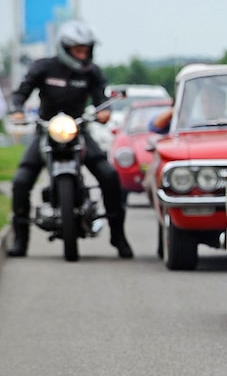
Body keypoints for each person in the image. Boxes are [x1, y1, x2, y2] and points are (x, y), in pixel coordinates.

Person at [5, 21, 133, 258]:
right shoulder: (43, 68)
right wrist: (17, 108)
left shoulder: (91, 72)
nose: (82, 54)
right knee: (22, 180)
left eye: (86, 49)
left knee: (109, 174)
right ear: (65, 48)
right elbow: (21, 93)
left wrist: (103, 111)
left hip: (78, 129)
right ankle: (21, 239)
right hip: (46, 130)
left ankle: (118, 235)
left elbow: (100, 99)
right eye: (78, 50)